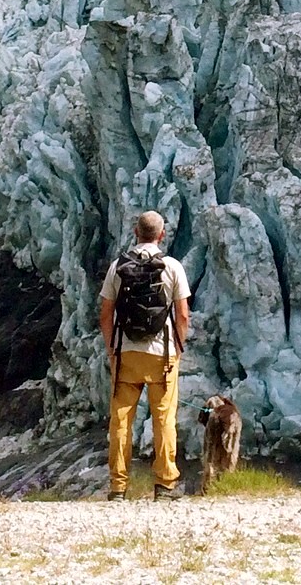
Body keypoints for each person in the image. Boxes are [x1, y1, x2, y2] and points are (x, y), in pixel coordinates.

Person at [99, 210, 191, 501]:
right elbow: (183, 315)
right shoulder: (172, 266)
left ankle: (118, 487)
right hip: (161, 354)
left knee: (121, 420)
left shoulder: (118, 267)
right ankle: (164, 486)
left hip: (126, 354)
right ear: (162, 234)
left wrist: (111, 349)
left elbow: (105, 314)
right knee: (163, 418)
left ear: (135, 232)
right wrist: (178, 347)